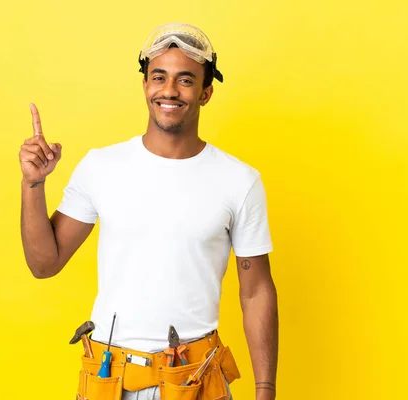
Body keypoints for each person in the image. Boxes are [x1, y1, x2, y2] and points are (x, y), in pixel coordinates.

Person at [19, 23, 278, 400]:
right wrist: (33, 184)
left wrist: (265, 391)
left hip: (195, 380)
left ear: (206, 93)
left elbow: (256, 292)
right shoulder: (101, 167)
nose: (169, 90)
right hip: (110, 379)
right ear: (145, 86)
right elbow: (44, 264)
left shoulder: (239, 181)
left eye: (185, 80)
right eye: (159, 77)